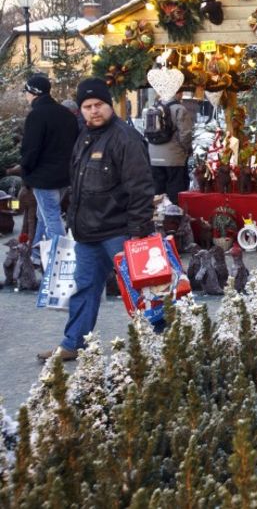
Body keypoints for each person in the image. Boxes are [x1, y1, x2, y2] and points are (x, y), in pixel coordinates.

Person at [39, 78, 155, 362]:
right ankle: (73, 343)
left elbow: (140, 187)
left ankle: (157, 341)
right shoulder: (85, 136)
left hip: (120, 231)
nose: (94, 111)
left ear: (110, 104)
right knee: (84, 288)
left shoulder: (125, 138)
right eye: (87, 106)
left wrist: (138, 232)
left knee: (139, 289)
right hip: (88, 233)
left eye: (99, 105)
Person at [5, 74, 80, 257]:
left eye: (27, 92)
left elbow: (30, 150)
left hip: (43, 177)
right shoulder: (66, 114)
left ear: (34, 93)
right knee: (42, 215)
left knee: (51, 216)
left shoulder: (36, 115)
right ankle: (36, 254)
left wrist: (26, 172)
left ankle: (62, 258)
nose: (26, 96)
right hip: (65, 176)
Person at [146, 89, 194, 204]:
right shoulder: (179, 109)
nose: (182, 95)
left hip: (153, 157)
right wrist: (187, 149)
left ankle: (158, 217)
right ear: (176, 93)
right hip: (174, 158)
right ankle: (174, 217)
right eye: (181, 93)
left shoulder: (152, 108)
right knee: (175, 192)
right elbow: (185, 134)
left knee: (157, 193)